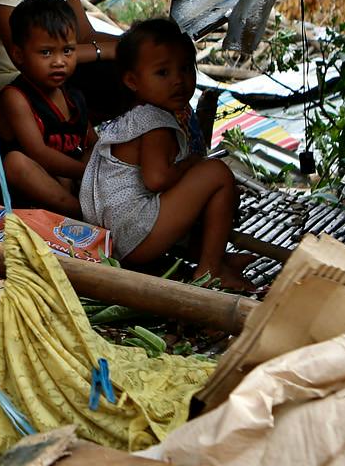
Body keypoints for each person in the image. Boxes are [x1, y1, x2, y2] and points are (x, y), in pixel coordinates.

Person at [79, 18, 254, 289]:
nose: (179, 81)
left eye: (185, 69)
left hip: (111, 236)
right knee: (217, 174)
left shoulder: (133, 117)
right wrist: (193, 164)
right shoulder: (155, 123)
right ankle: (210, 269)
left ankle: (214, 255)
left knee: (199, 187)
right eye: (163, 73)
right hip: (133, 235)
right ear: (132, 80)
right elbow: (157, 179)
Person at [0, 0, 94, 215]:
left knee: (89, 157)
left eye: (67, 50)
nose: (59, 61)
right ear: (19, 55)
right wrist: (89, 171)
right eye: (46, 52)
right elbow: (38, 153)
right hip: (24, 193)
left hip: (67, 181)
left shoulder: (74, 98)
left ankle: (83, 205)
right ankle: (79, 212)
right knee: (16, 162)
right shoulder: (15, 97)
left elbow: (91, 142)